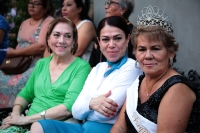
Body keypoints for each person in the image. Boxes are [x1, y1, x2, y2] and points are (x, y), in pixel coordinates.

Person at [30, 16, 142, 133]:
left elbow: (105, 115)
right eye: (105, 39)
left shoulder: (132, 67)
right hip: (83, 128)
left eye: (117, 38)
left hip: (106, 130)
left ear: (128, 39)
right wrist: (92, 103)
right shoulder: (98, 68)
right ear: (99, 42)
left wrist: (86, 106)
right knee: (39, 126)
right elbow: (75, 111)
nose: (111, 44)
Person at [110, 5, 200, 133]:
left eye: (155, 48)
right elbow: (119, 127)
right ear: (135, 52)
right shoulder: (139, 82)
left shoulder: (178, 89)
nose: (147, 56)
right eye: (142, 49)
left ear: (171, 52)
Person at [0, 17, 91, 133]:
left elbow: (68, 108)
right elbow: (26, 93)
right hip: (26, 123)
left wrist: (26, 119)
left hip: (55, 126)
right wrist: (15, 115)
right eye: (56, 35)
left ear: (74, 42)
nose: (61, 40)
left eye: (67, 36)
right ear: (48, 39)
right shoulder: (41, 64)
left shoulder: (81, 67)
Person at [0, 0, 54, 108]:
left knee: (17, 83)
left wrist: (15, 53)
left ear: (45, 8)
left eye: (36, 3)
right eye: (30, 3)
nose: (32, 6)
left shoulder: (49, 22)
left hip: (35, 63)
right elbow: (19, 44)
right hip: (18, 62)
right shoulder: (24, 22)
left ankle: (17, 111)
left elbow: (41, 46)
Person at [89, 0, 135, 67]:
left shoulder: (133, 34)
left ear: (123, 9)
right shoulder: (103, 29)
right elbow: (92, 63)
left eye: (111, 3)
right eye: (105, 39)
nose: (106, 6)